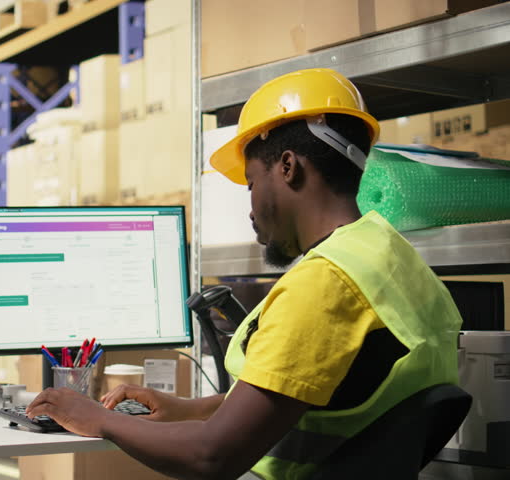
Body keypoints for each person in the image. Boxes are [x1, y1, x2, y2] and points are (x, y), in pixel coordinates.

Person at [25, 68, 463, 479]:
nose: (250, 208)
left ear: (288, 167)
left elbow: (210, 455)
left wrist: (99, 420)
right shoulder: (389, 257)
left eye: (251, 183)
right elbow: (301, 397)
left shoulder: (324, 284)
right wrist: (185, 408)